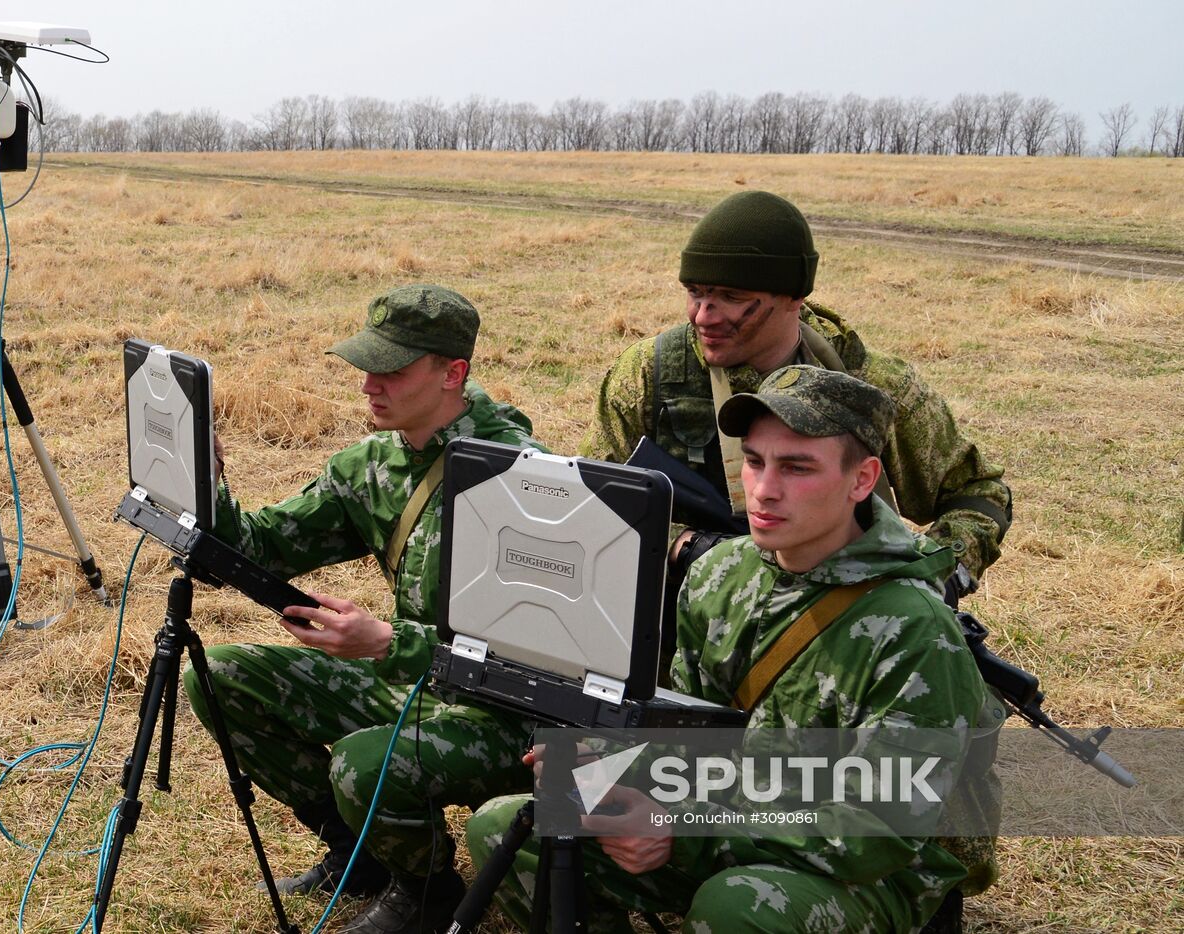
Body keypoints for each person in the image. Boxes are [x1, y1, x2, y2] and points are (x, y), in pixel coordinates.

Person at [466, 366, 1002, 932]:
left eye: (797, 468)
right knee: (511, 829)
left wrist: (682, 828)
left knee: (737, 904)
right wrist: (599, 763)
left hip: (865, 872)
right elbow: (685, 730)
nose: (765, 489)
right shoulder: (719, 572)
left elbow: (876, 830)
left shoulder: (917, 633)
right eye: (754, 461)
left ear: (862, 479)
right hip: (723, 818)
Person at [183, 285, 543, 934]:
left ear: (452, 374)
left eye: (393, 370)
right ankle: (361, 853)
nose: (369, 385)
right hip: (411, 685)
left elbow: (531, 661)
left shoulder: (525, 482)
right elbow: (264, 549)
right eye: (367, 366)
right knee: (224, 675)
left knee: (363, 763)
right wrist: (207, 486)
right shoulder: (373, 466)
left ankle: (425, 891)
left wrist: (386, 643)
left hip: (505, 724)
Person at [579, 190, 1011, 598]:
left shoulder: (870, 384)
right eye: (695, 292)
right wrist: (686, 547)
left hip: (837, 630)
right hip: (680, 622)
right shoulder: (648, 376)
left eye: (731, 296)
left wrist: (933, 576)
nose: (704, 315)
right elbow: (590, 500)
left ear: (794, 297)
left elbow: (977, 494)